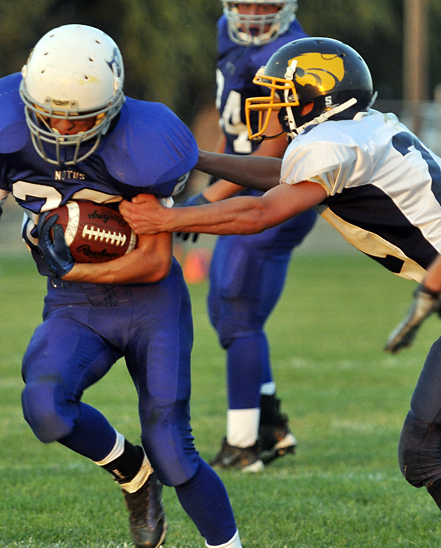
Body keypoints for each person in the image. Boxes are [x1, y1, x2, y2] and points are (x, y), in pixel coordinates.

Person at [0, 24, 243, 548]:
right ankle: (131, 472)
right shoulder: (4, 130)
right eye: (48, 113)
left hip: (150, 303)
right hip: (76, 306)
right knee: (46, 408)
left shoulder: (145, 144)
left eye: (78, 117)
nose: (60, 128)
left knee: (172, 447)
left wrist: (71, 269)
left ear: (113, 104)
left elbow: (151, 263)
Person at [119, 36, 441, 512]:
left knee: (424, 455)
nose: (271, 108)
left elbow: (259, 215)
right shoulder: (362, 129)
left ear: (319, 100)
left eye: (283, 97)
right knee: (425, 454)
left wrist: (167, 220)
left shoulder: (330, 144)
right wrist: (199, 160)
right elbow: (278, 174)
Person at [182, 0, 317, 472]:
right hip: (242, 187)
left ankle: (243, 446)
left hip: (279, 195)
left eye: (264, 5)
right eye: (244, 3)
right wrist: (211, 188)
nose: (252, 13)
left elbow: (269, 155)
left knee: (238, 312)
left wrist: (204, 202)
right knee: (223, 311)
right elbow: (233, 127)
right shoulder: (226, 30)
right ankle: (272, 426)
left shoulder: (293, 52)